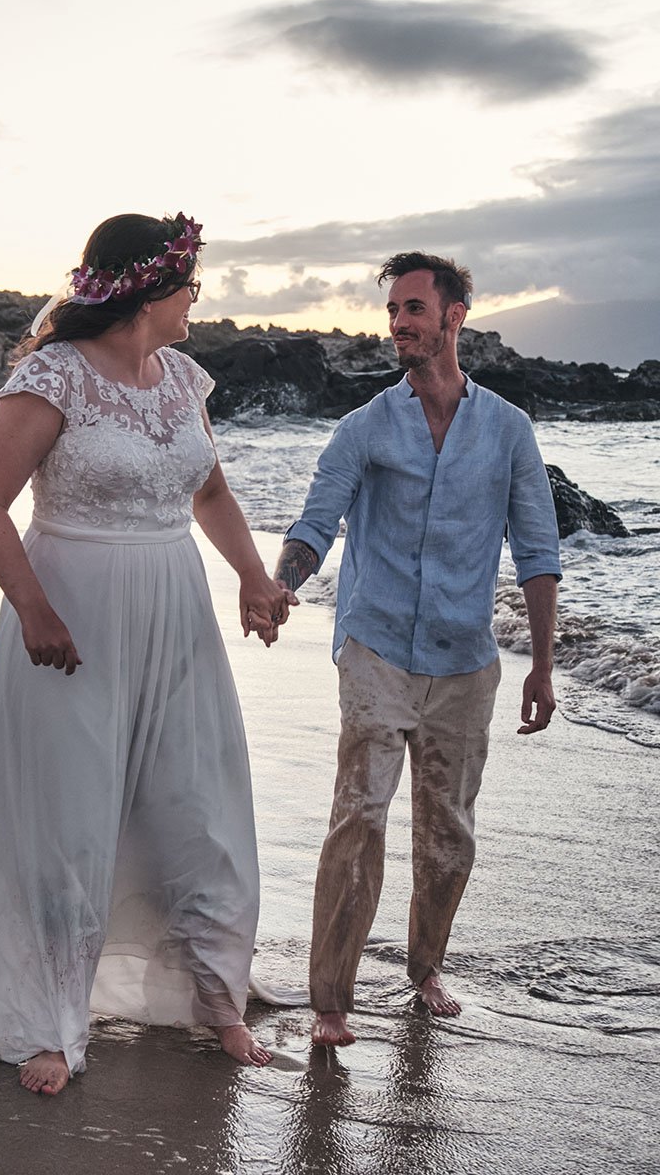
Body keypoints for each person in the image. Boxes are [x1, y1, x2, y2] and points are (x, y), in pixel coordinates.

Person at [0, 212, 291, 1095]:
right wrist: (33, 608)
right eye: (190, 284)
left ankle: (214, 998)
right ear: (147, 291)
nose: (196, 300)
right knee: (70, 818)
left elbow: (208, 488)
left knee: (200, 803)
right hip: (74, 608)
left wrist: (254, 578)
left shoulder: (182, 377)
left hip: (175, 608)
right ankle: (49, 1022)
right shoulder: (51, 375)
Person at [270, 251, 562, 1045]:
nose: (398, 324)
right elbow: (315, 524)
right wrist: (282, 584)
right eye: (393, 311)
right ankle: (331, 999)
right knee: (359, 816)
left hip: (465, 659)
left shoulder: (507, 432)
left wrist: (542, 662)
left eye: (413, 310)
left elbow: (538, 552)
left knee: (448, 833)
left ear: (453, 317)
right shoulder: (364, 428)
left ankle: (425, 967)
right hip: (376, 645)